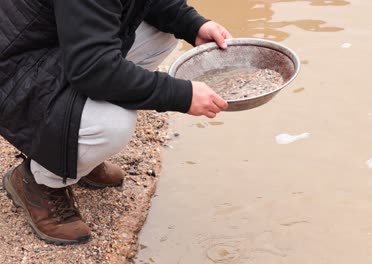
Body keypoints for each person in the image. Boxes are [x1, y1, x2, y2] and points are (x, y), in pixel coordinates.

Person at [0, 0, 231, 245]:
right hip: (15, 73)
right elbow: (93, 69)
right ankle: (40, 179)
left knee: (161, 35)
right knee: (113, 126)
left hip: (59, 45)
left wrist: (194, 25)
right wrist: (182, 96)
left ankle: (74, 150)